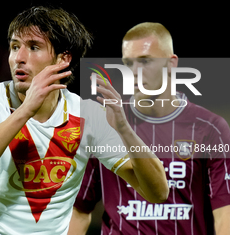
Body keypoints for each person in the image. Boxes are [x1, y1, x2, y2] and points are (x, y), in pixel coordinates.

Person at [0, 7, 168, 235]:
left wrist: (125, 131)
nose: (19, 58)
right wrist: (25, 111)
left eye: (33, 47)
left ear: (63, 58)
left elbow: (158, 192)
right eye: (14, 47)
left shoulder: (87, 115)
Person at [69, 22, 230, 235]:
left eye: (145, 61)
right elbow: (79, 210)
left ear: (171, 64)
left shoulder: (211, 129)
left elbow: (224, 214)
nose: (134, 72)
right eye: (128, 63)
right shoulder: (104, 123)